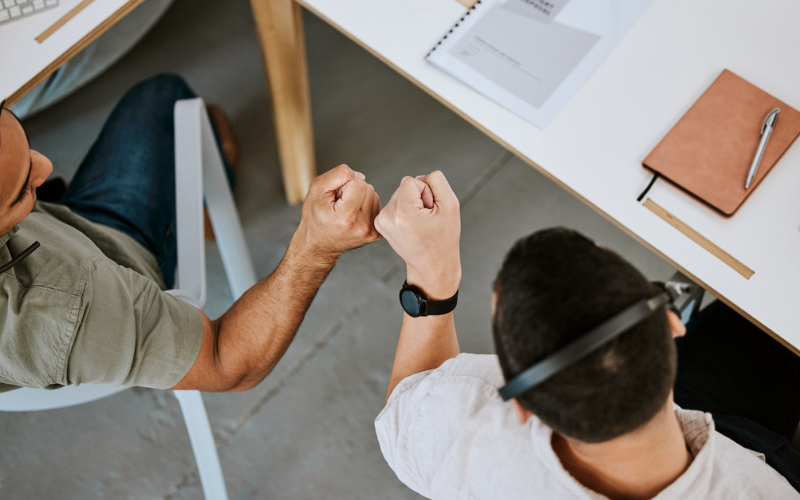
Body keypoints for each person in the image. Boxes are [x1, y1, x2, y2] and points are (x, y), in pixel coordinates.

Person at [373, 171, 800, 499]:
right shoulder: (765, 490)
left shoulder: (468, 432)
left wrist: (433, 271)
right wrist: (435, 269)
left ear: (521, 405)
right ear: (672, 324)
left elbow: (412, 405)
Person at [0, 74, 381, 393]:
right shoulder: (63, 306)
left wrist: (25, 199)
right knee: (165, 98)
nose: (46, 164)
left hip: (60, 226)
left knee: (158, 94)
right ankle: (204, 207)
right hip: (111, 267)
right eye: (22, 189)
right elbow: (226, 362)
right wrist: (317, 245)